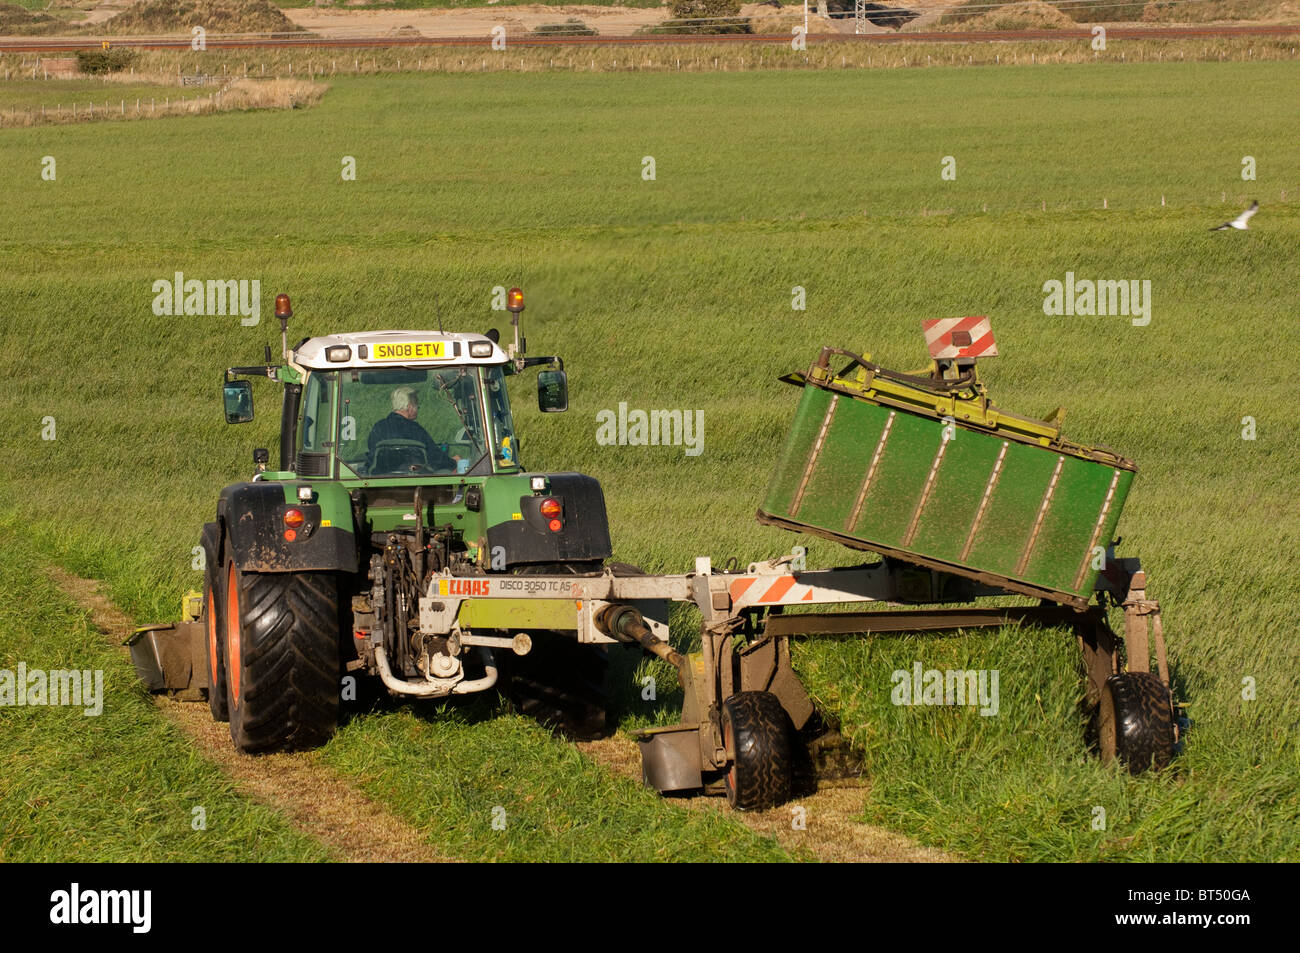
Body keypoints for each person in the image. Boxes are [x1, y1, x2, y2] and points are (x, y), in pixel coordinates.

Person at [368, 386, 455, 473]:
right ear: (409, 407)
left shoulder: (378, 427)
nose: (417, 410)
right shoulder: (416, 430)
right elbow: (434, 457)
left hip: (383, 479)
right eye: (417, 406)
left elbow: (373, 455)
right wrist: (453, 462)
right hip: (415, 480)